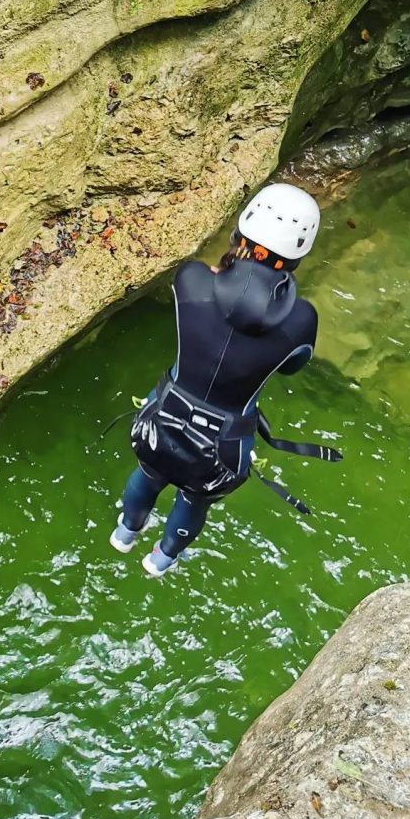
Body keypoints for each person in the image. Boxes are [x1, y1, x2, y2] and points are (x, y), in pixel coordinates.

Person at [109, 182, 326, 577]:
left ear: (240, 232)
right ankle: (162, 560)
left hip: (160, 424)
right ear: (297, 257)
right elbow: (294, 364)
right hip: (221, 450)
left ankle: (125, 533)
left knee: (148, 473)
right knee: (194, 503)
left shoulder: (191, 280)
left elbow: (207, 292)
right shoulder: (301, 321)